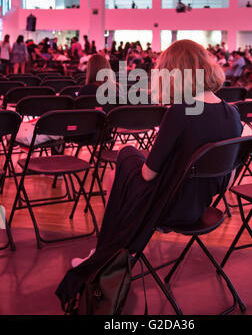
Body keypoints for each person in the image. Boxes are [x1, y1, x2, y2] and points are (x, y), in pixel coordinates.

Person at [56, 40, 242, 304]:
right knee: (126, 165)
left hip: (168, 208)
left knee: (127, 154)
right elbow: (228, 176)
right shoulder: (232, 114)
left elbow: (147, 175)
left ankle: (104, 253)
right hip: (200, 207)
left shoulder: (181, 112)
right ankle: (104, 252)